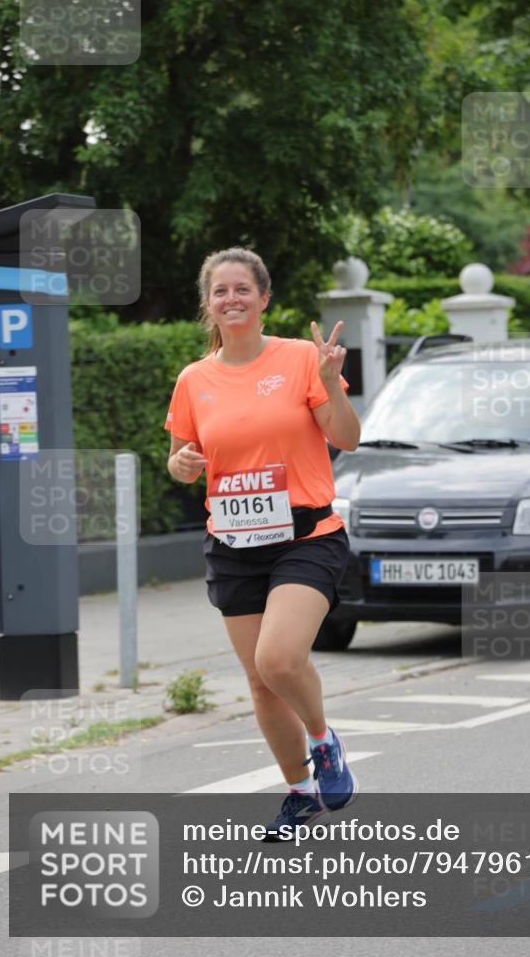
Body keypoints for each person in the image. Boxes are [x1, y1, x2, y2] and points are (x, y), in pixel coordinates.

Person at [164, 246, 361, 839]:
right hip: (233, 540)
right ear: (208, 304)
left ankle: (324, 742)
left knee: (278, 659)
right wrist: (182, 463)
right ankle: (300, 795)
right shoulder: (193, 380)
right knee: (258, 679)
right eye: (220, 291)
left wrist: (333, 385)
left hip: (307, 535)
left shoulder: (303, 359)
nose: (231, 299)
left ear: (263, 298)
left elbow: (347, 439)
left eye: (242, 289)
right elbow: (181, 461)